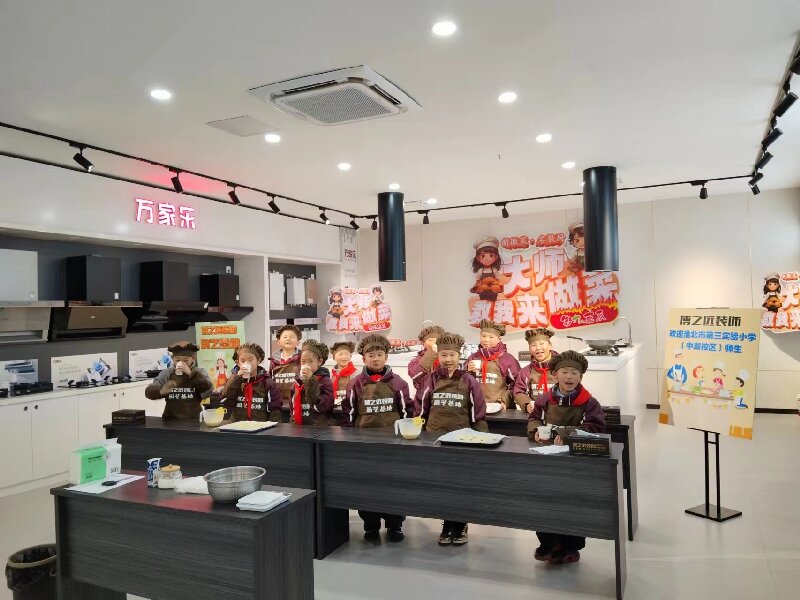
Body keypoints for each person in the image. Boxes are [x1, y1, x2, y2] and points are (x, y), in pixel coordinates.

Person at [527, 350, 605, 564]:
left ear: (581, 377)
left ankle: (571, 546)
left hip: (576, 462)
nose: (569, 376)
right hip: (548, 459)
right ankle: (548, 542)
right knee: (545, 500)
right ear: (555, 374)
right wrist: (535, 430)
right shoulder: (545, 398)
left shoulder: (589, 402)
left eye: (574, 373)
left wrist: (568, 434)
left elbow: (596, 427)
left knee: (572, 502)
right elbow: (534, 417)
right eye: (564, 372)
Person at [343, 334, 415, 543]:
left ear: (386, 356)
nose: (375, 359)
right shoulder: (355, 384)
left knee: (394, 487)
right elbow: (348, 414)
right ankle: (371, 526)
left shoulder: (398, 383)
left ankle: (395, 525)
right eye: (371, 355)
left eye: (379, 354)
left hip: (393, 444)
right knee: (367, 487)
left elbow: (407, 413)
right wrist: (349, 440)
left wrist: (405, 440)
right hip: (364, 445)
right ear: (363, 358)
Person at [416, 332, 488, 546]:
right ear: (438, 356)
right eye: (444, 355)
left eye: (452, 355)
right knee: (442, 486)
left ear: (459, 356)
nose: (448, 359)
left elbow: (477, 411)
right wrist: (419, 433)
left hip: (462, 439)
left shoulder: (469, 380)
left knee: (460, 485)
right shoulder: (431, 379)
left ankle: (461, 524)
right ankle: (447, 525)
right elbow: (422, 407)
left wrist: (480, 437)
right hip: (435, 439)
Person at [145, 341, 213, 420]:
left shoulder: (199, 372)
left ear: (193, 359)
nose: (181, 363)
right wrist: (161, 391)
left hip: (194, 419)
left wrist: (191, 374)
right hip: (170, 419)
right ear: (172, 359)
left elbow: (208, 392)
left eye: (186, 360)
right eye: (177, 360)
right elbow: (149, 393)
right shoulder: (166, 373)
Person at [466, 319, 520, 409]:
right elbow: (462, 383)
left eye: (491, 337)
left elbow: (518, 384)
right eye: (483, 336)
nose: (486, 340)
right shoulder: (473, 357)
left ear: (499, 339)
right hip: (476, 408)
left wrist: (504, 400)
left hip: (501, 408)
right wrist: (468, 372)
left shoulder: (507, 359)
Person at [224, 343, 282, 422]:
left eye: (250, 360)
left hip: (260, 426)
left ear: (258, 361)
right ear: (238, 363)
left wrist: (272, 427)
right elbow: (225, 398)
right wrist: (237, 377)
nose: (246, 363)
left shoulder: (267, 382)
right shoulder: (234, 380)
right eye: (243, 361)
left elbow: (275, 409)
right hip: (237, 425)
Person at [513, 328, 559, 413]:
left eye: (542, 344)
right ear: (529, 349)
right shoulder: (525, 371)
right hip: (536, 415)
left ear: (550, 345)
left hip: (559, 414)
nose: (538, 348)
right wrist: (527, 404)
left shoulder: (561, 368)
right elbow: (519, 391)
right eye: (533, 345)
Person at [292, 340, 335, 426]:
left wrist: (310, 381)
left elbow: (324, 406)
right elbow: (292, 403)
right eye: (303, 361)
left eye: (311, 361)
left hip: (317, 427)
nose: (306, 365)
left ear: (319, 361)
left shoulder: (325, 381)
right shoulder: (297, 381)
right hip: (298, 426)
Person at [269, 325, 302, 407]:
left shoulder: (302, 358)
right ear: (279, 341)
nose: (288, 339)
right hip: (278, 402)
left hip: (297, 401)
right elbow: (269, 379)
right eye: (285, 337)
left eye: (292, 337)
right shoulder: (273, 359)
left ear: (298, 342)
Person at [408, 325, 445, 393]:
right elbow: (415, 375)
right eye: (430, 340)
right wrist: (431, 353)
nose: (435, 342)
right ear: (423, 344)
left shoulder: (448, 357)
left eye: (438, 340)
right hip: (425, 396)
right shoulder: (416, 361)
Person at [330, 341, 356, 406]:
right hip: (332, 407)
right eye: (340, 354)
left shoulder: (356, 374)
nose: (344, 357)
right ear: (334, 357)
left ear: (350, 356)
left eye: (347, 354)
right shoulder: (330, 374)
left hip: (350, 407)